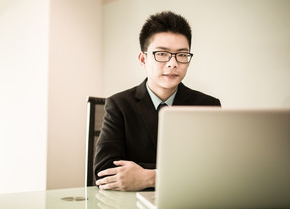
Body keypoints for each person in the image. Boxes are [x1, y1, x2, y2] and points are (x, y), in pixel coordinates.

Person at [94, 11, 221, 191]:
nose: (172, 63)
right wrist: (183, 173)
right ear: (143, 59)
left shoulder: (208, 106)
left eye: (182, 55)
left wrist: (150, 177)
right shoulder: (119, 104)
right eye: (162, 54)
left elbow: (214, 171)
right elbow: (104, 171)